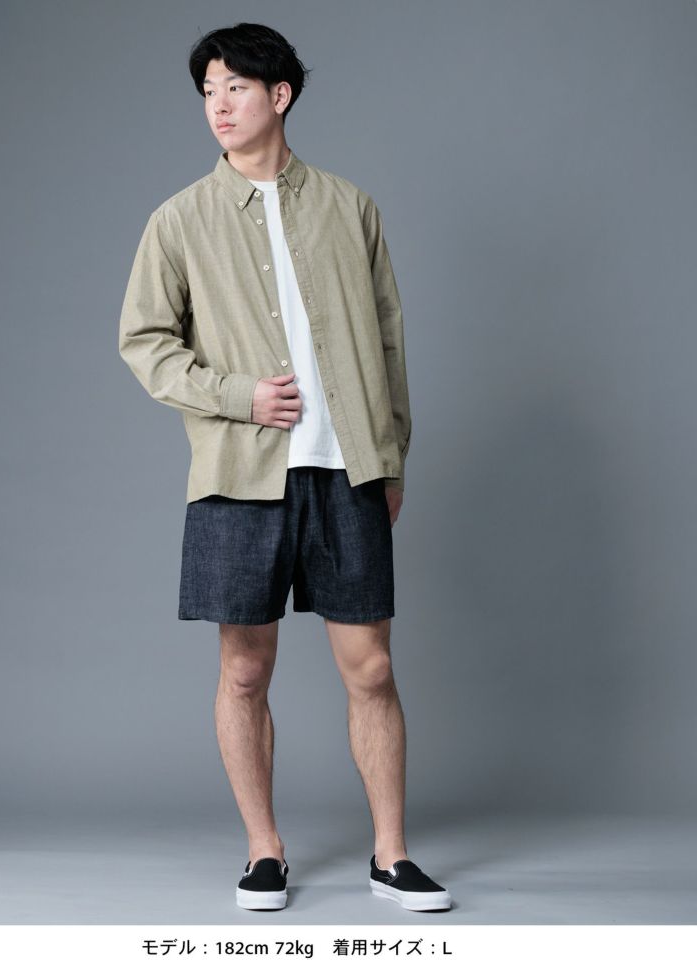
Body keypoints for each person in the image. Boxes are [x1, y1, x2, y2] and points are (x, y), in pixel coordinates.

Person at [118, 21, 451, 913]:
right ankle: (264, 851)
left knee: (371, 668)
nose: (218, 106)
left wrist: (390, 458)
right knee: (244, 671)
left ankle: (391, 855)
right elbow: (145, 342)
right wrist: (237, 395)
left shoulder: (350, 207)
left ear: (280, 95)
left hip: (347, 470)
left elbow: (390, 340)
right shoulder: (180, 220)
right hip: (238, 474)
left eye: (235, 87)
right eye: (208, 92)